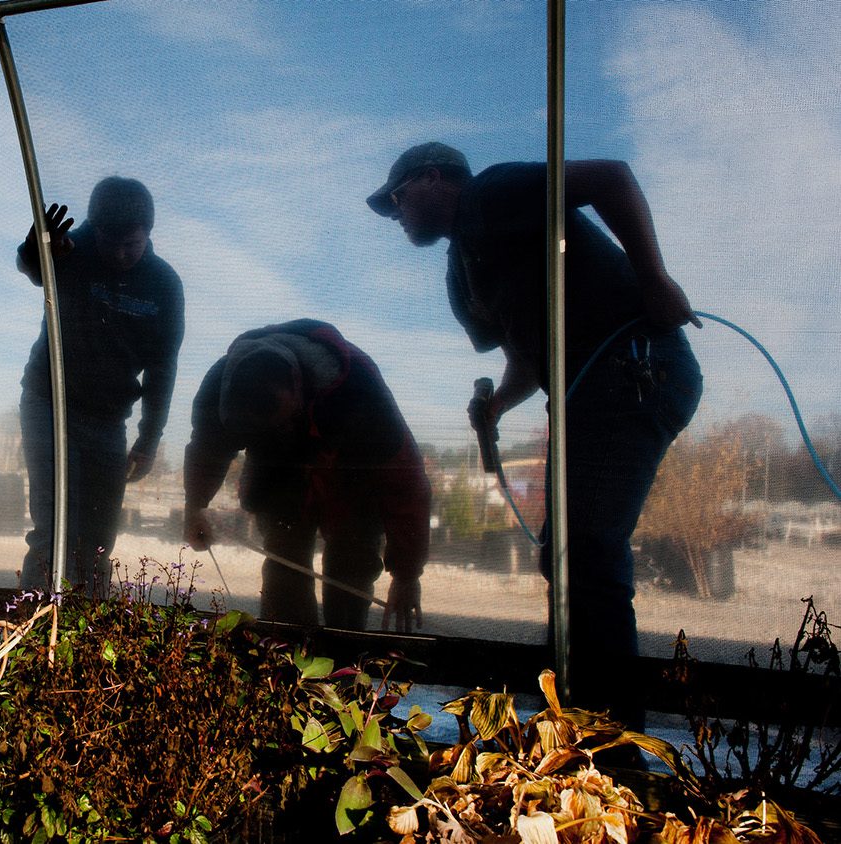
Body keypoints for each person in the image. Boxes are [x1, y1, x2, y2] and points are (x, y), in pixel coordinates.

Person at [367, 142, 702, 724]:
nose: (396, 216)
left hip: (637, 365)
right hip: (589, 391)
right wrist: (496, 405)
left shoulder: (489, 194)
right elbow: (526, 359)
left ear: (431, 178)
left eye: (396, 199)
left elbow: (611, 177)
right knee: (568, 553)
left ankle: (612, 736)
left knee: (586, 550)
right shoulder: (463, 275)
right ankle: (585, 718)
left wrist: (654, 279)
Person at [183, 319, 430, 631]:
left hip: (350, 476)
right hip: (276, 474)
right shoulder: (217, 396)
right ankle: (286, 664)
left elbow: (407, 487)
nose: (286, 434)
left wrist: (407, 575)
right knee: (284, 568)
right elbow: (206, 454)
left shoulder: (363, 397)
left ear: (299, 386)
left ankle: (343, 655)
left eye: (288, 422)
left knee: (351, 567)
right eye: (271, 430)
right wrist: (195, 506)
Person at [16, 177, 185, 593]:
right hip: (49, 403)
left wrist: (149, 439)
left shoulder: (164, 284)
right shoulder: (70, 250)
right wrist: (36, 248)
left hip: (109, 420)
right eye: (110, 242)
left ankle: (87, 626)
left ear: (148, 233)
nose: (120, 254)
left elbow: (163, 367)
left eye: (132, 244)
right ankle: (37, 623)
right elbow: (34, 270)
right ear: (95, 228)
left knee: (97, 538)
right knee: (55, 524)